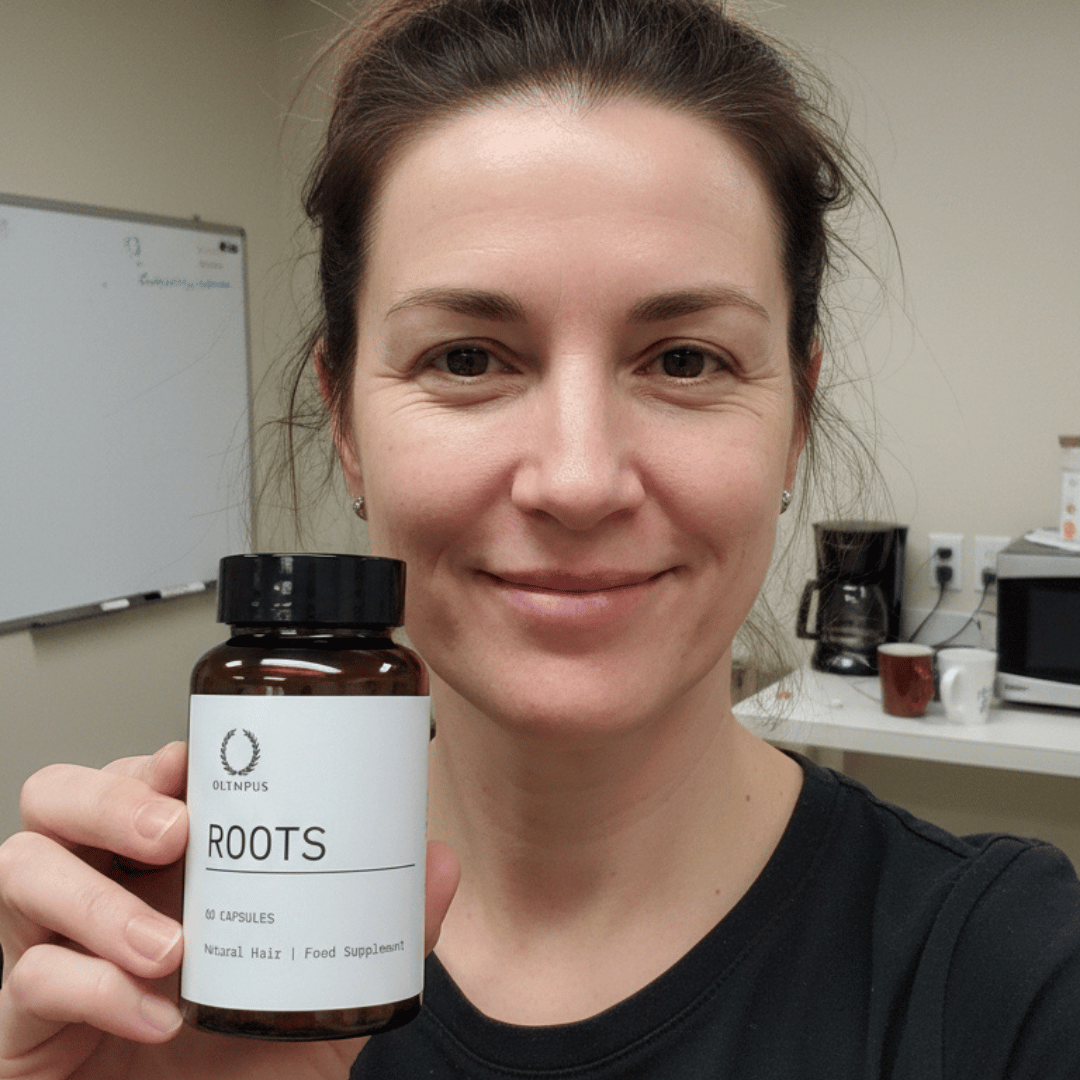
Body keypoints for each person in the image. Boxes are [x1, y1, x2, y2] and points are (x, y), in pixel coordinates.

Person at [2, 0, 1079, 1076]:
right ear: (345, 424)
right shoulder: (181, 965)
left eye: (686, 360)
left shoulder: (1014, 979)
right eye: (467, 358)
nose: (576, 480)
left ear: (795, 416)